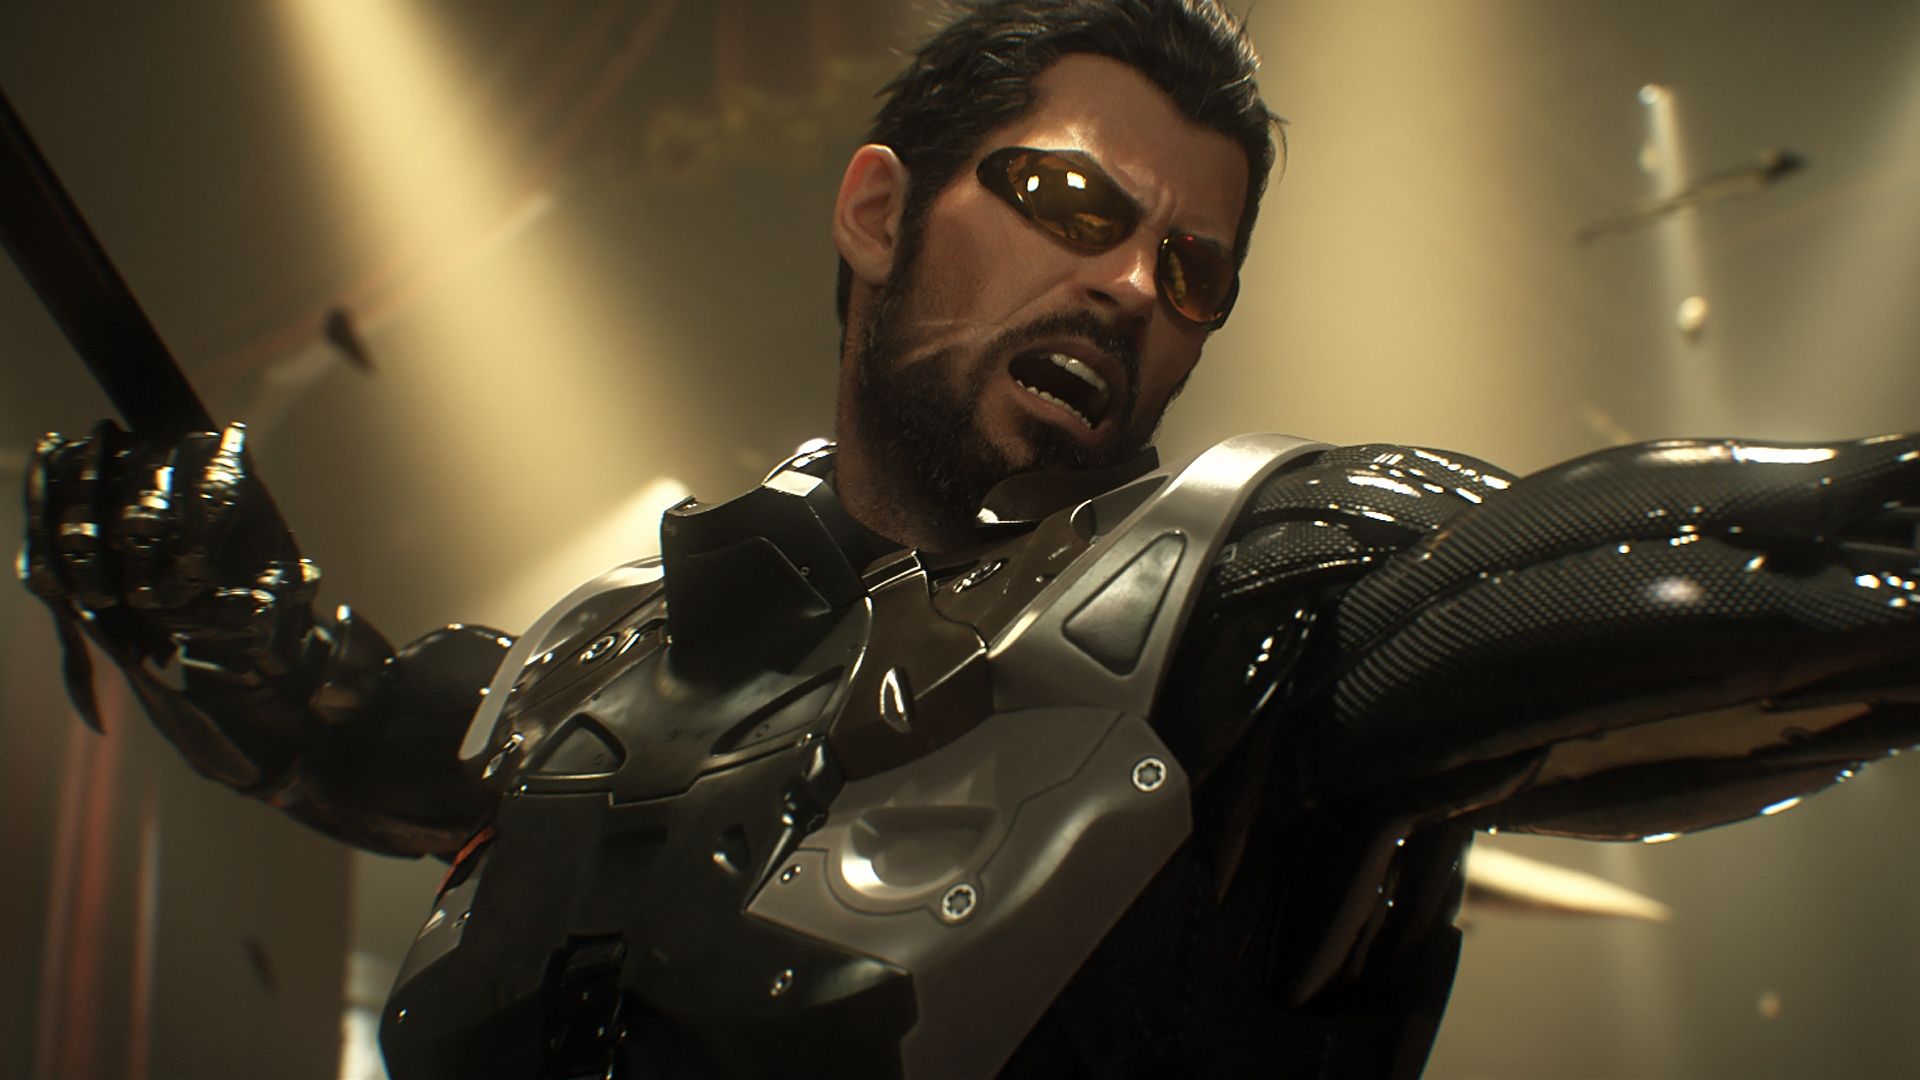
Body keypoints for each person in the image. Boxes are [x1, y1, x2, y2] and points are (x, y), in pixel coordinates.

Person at [18, 1, 1920, 1077]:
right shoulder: (598, 662)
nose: (1133, 284)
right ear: (878, 212)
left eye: (1191, 266)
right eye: (1073, 202)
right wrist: (214, 603)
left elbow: (1668, 586)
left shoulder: (1256, 610)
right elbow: (348, 716)